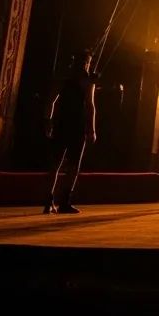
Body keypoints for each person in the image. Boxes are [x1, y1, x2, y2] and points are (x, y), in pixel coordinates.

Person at [43, 49, 97, 215]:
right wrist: (92, 129)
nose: (87, 66)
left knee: (56, 163)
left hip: (61, 123)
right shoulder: (87, 81)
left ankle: (48, 201)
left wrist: (48, 121)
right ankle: (64, 202)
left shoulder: (64, 77)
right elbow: (90, 106)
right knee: (73, 166)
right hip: (77, 125)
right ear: (85, 63)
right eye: (87, 63)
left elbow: (51, 101)